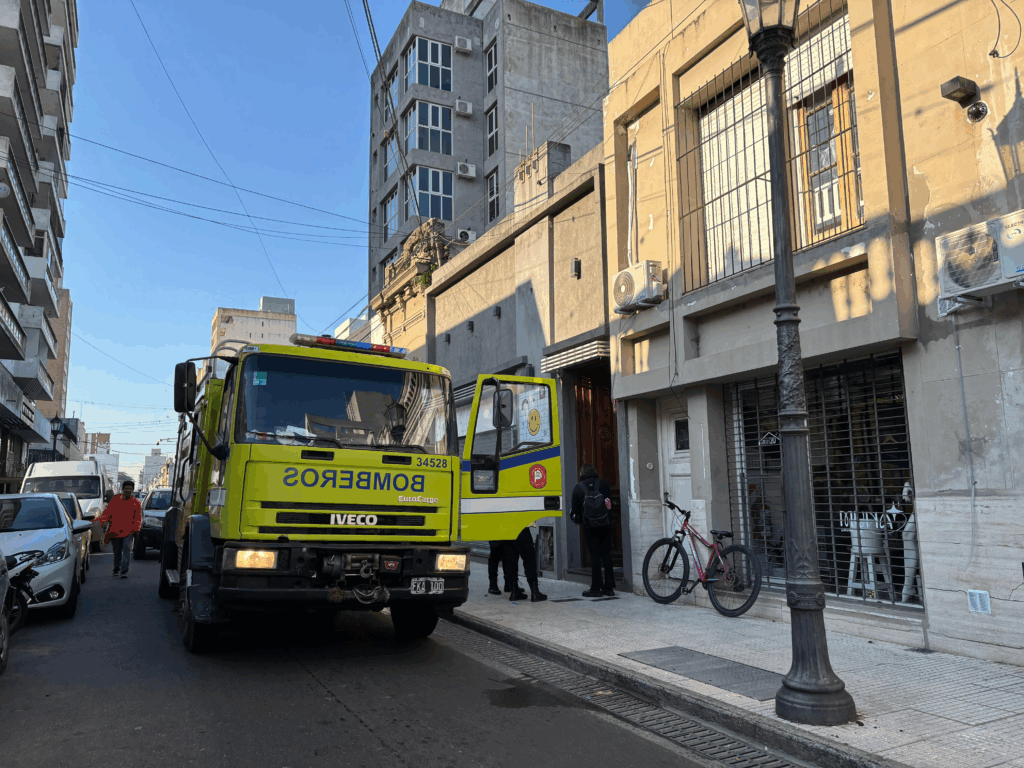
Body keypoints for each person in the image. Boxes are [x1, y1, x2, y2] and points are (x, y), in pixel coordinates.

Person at [570, 463, 615, 597]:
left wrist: (581, 519)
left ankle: (596, 588)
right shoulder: (603, 484)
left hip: (589, 526)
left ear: (582, 473)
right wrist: (608, 517)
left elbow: (575, 511)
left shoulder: (578, 488)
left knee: (594, 555)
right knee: (606, 554)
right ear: (594, 471)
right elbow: (608, 503)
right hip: (605, 524)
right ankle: (609, 588)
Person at [95, 480, 142, 578]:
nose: (128, 490)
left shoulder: (136, 503)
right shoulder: (115, 500)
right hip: (115, 531)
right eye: (126, 488)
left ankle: (124, 571)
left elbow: (138, 518)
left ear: (133, 490)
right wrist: (103, 521)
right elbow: (107, 512)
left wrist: (136, 530)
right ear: (123, 489)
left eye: (130, 489)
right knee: (117, 552)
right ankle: (116, 568)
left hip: (129, 532)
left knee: (127, 551)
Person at [503, 526, 546, 602]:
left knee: (511, 561)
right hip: (520, 529)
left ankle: (514, 591)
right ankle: (535, 592)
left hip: (505, 531)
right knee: (529, 559)